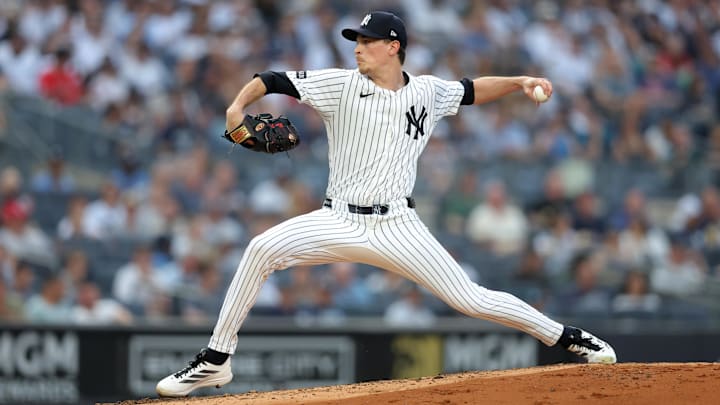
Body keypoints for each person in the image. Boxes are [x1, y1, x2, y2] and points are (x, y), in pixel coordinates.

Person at [156, 11, 616, 397]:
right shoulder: (339, 84)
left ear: (393, 47)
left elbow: (472, 89)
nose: (357, 47)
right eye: (356, 40)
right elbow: (272, 79)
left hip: (398, 225)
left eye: (367, 41)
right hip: (337, 218)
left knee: (471, 298)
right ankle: (216, 359)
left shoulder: (427, 92)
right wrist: (237, 109)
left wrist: (518, 81)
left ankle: (568, 337)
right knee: (260, 249)